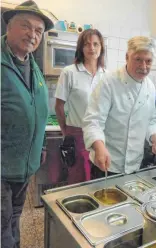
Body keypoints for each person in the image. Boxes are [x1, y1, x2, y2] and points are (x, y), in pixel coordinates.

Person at [1, 1, 54, 247]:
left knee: (14, 219)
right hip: (2, 169)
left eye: (38, 31)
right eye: (26, 26)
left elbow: (39, 113)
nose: (32, 35)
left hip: (24, 167)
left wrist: (41, 146)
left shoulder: (32, 65)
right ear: (8, 26)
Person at [83, 36, 156, 179]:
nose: (144, 66)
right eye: (138, 59)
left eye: (148, 61)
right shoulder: (109, 82)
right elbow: (93, 121)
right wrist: (99, 147)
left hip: (135, 164)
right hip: (107, 162)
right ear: (127, 57)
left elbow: (151, 120)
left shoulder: (150, 87)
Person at [55, 28, 106, 184]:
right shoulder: (69, 72)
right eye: (87, 44)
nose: (92, 48)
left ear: (101, 48)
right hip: (77, 134)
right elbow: (59, 106)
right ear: (81, 48)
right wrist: (66, 131)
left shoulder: (107, 75)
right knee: (79, 180)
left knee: (98, 179)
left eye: (96, 44)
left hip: (101, 136)